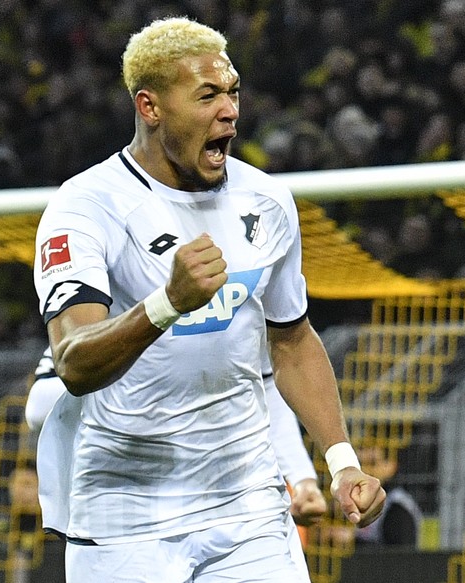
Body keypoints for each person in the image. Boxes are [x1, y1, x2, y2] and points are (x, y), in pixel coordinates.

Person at [32, 16, 385, 583]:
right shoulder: (85, 207)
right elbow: (74, 361)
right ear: (150, 107)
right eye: (208, 95)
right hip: (126, 506)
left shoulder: (266, 201)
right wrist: (167, 303)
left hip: (247, 500)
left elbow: (292, 340)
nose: (230, 111)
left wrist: (341, 463)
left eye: (233, 92)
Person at [26, 347, 328, 532]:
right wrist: (158, 395)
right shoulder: (114, 294)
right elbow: (39, 406)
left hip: (234, 507)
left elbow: (266, 389)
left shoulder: (240, 281)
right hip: (130, 512)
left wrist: (302, 479)